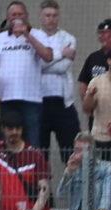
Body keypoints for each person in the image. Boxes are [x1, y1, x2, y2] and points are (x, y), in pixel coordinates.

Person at [0, 1, 53, 149]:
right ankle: (7, 164)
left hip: (31, 99)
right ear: (8, 17)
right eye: (13, 14)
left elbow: (48, 56)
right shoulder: (1, 38)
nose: (17, 17)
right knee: (6, 141)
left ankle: (32, 164)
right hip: (6, 98)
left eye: (20, 14)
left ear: (26, 16)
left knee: (32, 140)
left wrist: (27, 35)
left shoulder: (38, 34)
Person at [34, 0, 78, 161]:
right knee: (39, 153)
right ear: (41, 16)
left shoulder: (69, 38)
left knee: (71, 151)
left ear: (58, 17)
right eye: (47, 15)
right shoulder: (33, 37)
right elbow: (36, 66)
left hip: (63, 102)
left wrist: (44, 61)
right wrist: (60, 53)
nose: (51, 19)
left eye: (54, 15)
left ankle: (72, 177)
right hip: (38, 101)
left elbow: (62, 67)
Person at [78, 19, 111, 100]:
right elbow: (83, 83)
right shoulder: (93, 57)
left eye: (104, 33)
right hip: (96, 106)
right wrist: (87, 102)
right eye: (99, 33)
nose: (100, 36)